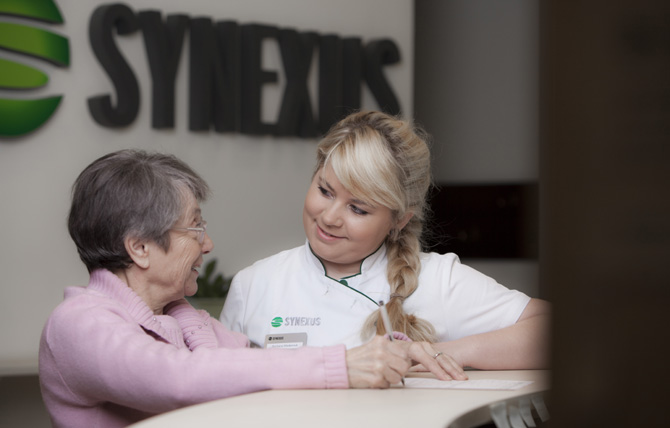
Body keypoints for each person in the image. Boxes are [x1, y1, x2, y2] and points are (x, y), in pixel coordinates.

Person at [39, 149, 449, 428]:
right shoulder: (78, 323)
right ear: (140, 247)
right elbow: (178, 380)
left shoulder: (183, 319)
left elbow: (266, 364)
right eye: (194, 226)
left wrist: (388, 352)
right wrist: (344, 365)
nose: (207, 243)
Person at [221, 110, 551, 379]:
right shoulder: (254, 285)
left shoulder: (437, 280)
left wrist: (446, 352)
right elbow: (216, 389)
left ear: (398, 220)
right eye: (325, 190)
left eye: (358, 208)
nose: (330, 217)